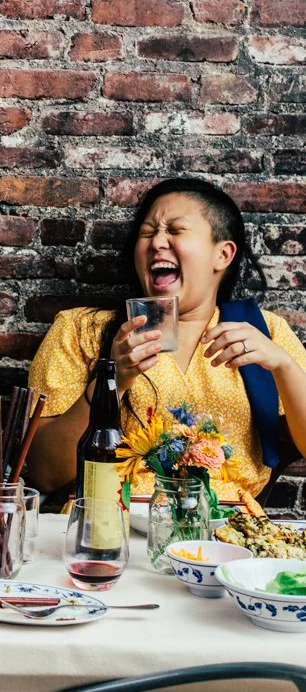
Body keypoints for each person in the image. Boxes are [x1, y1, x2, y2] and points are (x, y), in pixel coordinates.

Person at [24, 178, 306, 502]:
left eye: (175, 230)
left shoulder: (267, 333)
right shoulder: (81, 329)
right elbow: (45, 472)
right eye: (147, 232)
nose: (157, 241)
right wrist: (111, 380)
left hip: (226, 537)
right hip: (112, 530)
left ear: (223, 254)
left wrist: (283, 365)